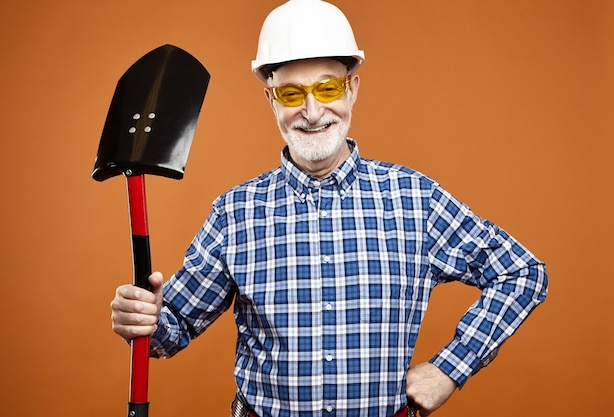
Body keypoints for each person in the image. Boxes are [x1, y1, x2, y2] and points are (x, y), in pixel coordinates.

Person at [110, 1, 548, 416]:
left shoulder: (416, 200)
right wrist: (146, 321)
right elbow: (172, 331)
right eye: (292, 94)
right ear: (270, 100)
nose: (313, 111)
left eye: (328, 87)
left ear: (352, 89)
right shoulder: (235, 213)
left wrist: (452, 367)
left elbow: (522, 273)